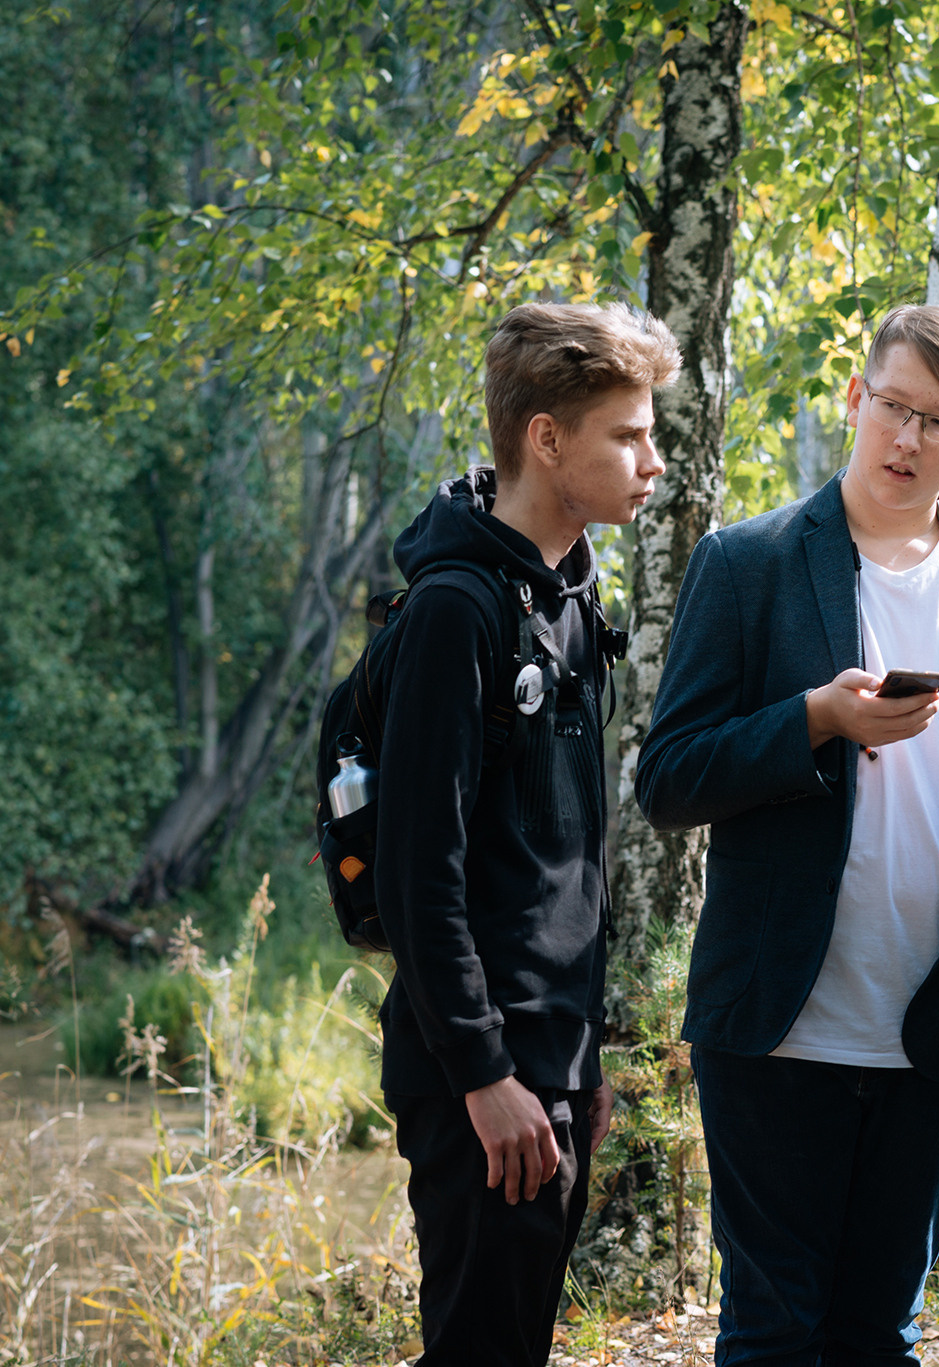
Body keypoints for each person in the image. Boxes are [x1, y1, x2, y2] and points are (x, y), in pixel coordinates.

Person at [635, 304, 939, 1366]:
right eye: (892, 407)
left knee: (877, 1338)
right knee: (770, 1335)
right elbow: (665, 779)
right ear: (855, 398)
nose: (907, 440)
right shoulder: (744, 563)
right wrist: (813, 719)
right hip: (774, 1028)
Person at [373, 302, 681, 1367]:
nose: (654, 459)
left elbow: (560, 868)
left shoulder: (563, 601)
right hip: (481, 1078)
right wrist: (485, 1071)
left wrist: (577, 1059)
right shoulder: (458, 610)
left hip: (543, 1064)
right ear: (546, 439)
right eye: (627, 435)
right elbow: (423, 872)